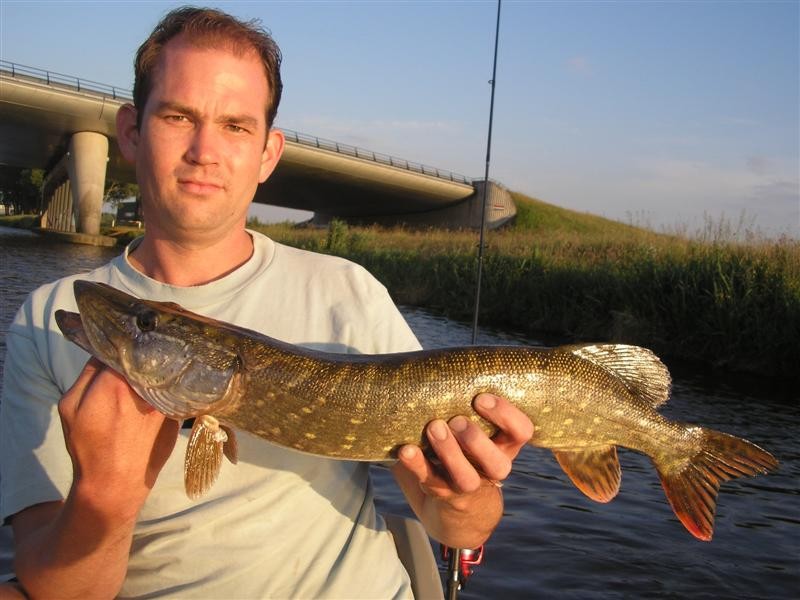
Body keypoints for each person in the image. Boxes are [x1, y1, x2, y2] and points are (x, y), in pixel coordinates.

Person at [0, 7, 533, 598]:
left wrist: (464, 495)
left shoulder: (347, 292)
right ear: (131, 130)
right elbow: (58, 589)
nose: (205, 150)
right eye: (179, 116)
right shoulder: (44, 323)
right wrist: (106, 494)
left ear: (267, 154)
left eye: (235, 126)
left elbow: (459, 525)